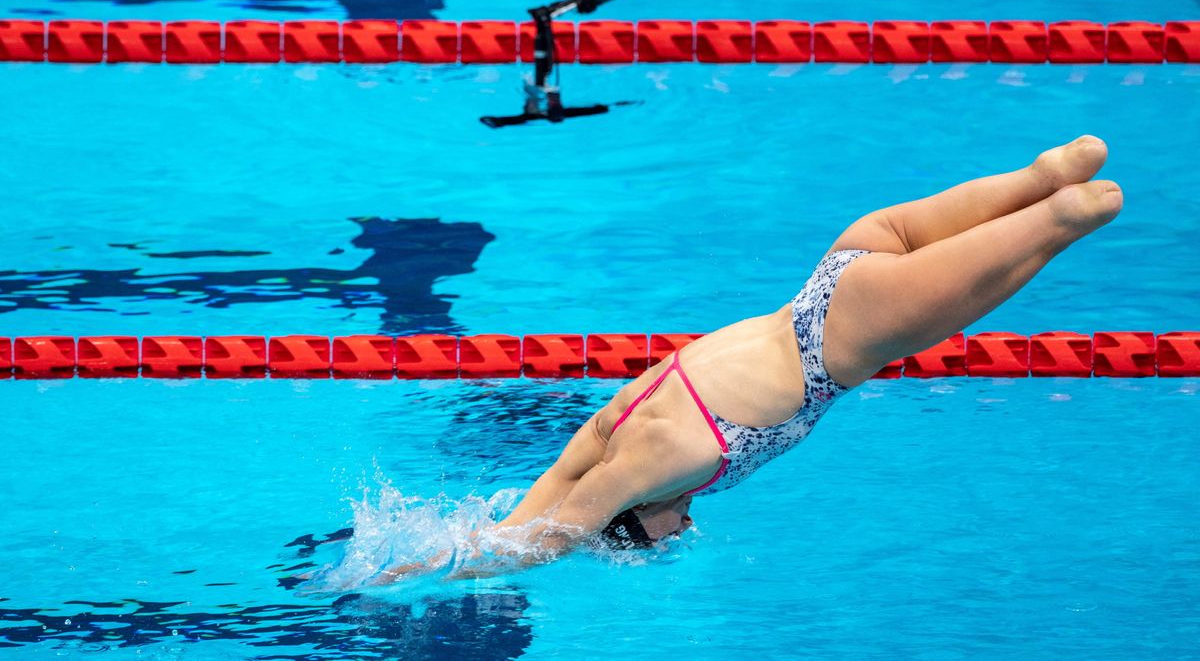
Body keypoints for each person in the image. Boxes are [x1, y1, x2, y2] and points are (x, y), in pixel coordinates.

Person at [379, 135, 1121, 582]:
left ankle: (1069, 200)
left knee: (1070, 216)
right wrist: (463, 539)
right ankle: (1059, 166)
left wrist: (427, 573)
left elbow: (560, 528)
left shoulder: (654, 462)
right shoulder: (611, 428)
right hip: (840, 262)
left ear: (639, 519)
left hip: (852, 332)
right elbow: (549, 488)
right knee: (1050, 175)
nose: (685, 530)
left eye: (666, 540)